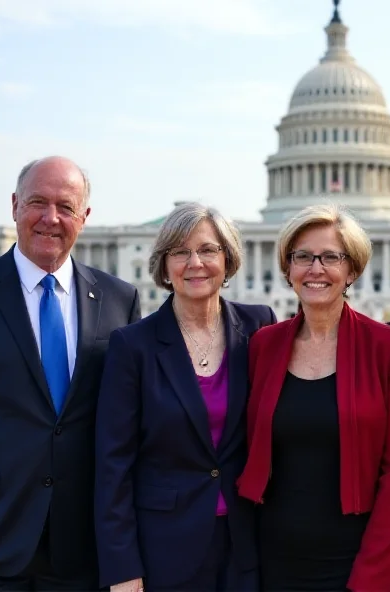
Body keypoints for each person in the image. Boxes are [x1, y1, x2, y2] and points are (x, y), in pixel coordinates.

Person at [0, 156, 141, 589]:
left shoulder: (119, 300)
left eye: (65, 206)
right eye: (37, 202)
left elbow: (125, 425)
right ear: (14, 206)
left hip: (81, 547)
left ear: (85, 217)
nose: (51, 218)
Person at [237, 204, 390, 591]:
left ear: (351, 269)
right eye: (302, 256)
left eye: (331, 257)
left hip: (356, 562)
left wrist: (370, 579)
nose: (315, 269)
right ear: (288, 269)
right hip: (275, 562)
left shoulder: (389, 348)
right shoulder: (263, 346)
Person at [94, 202, 276, 592]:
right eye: (180, 252)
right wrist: (122, 567)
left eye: (208, 250)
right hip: (164, 550)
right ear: (164, 265)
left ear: (227, 259)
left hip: (246, 545)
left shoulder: (259, 326)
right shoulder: (133, 345)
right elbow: (113, 464)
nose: (195, 262)